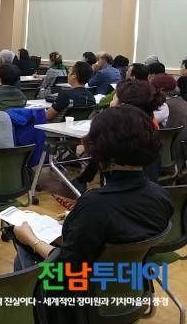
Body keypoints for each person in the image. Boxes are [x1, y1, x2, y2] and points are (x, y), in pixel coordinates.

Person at [13, 105, 173, 323]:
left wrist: (31, 239)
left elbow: (65, 268)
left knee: (23, 248)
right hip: (132, 287)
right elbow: (124, 228)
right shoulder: (160, 196)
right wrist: (78, 221)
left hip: (83, 301)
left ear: (101, 149)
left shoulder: (94, 205)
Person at [73, 80, 166, 192]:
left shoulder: (123, 134)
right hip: (145, 187)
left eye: (114, 97)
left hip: (125, 189)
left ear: (123, 105)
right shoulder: (147, 125)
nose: (112, 101)